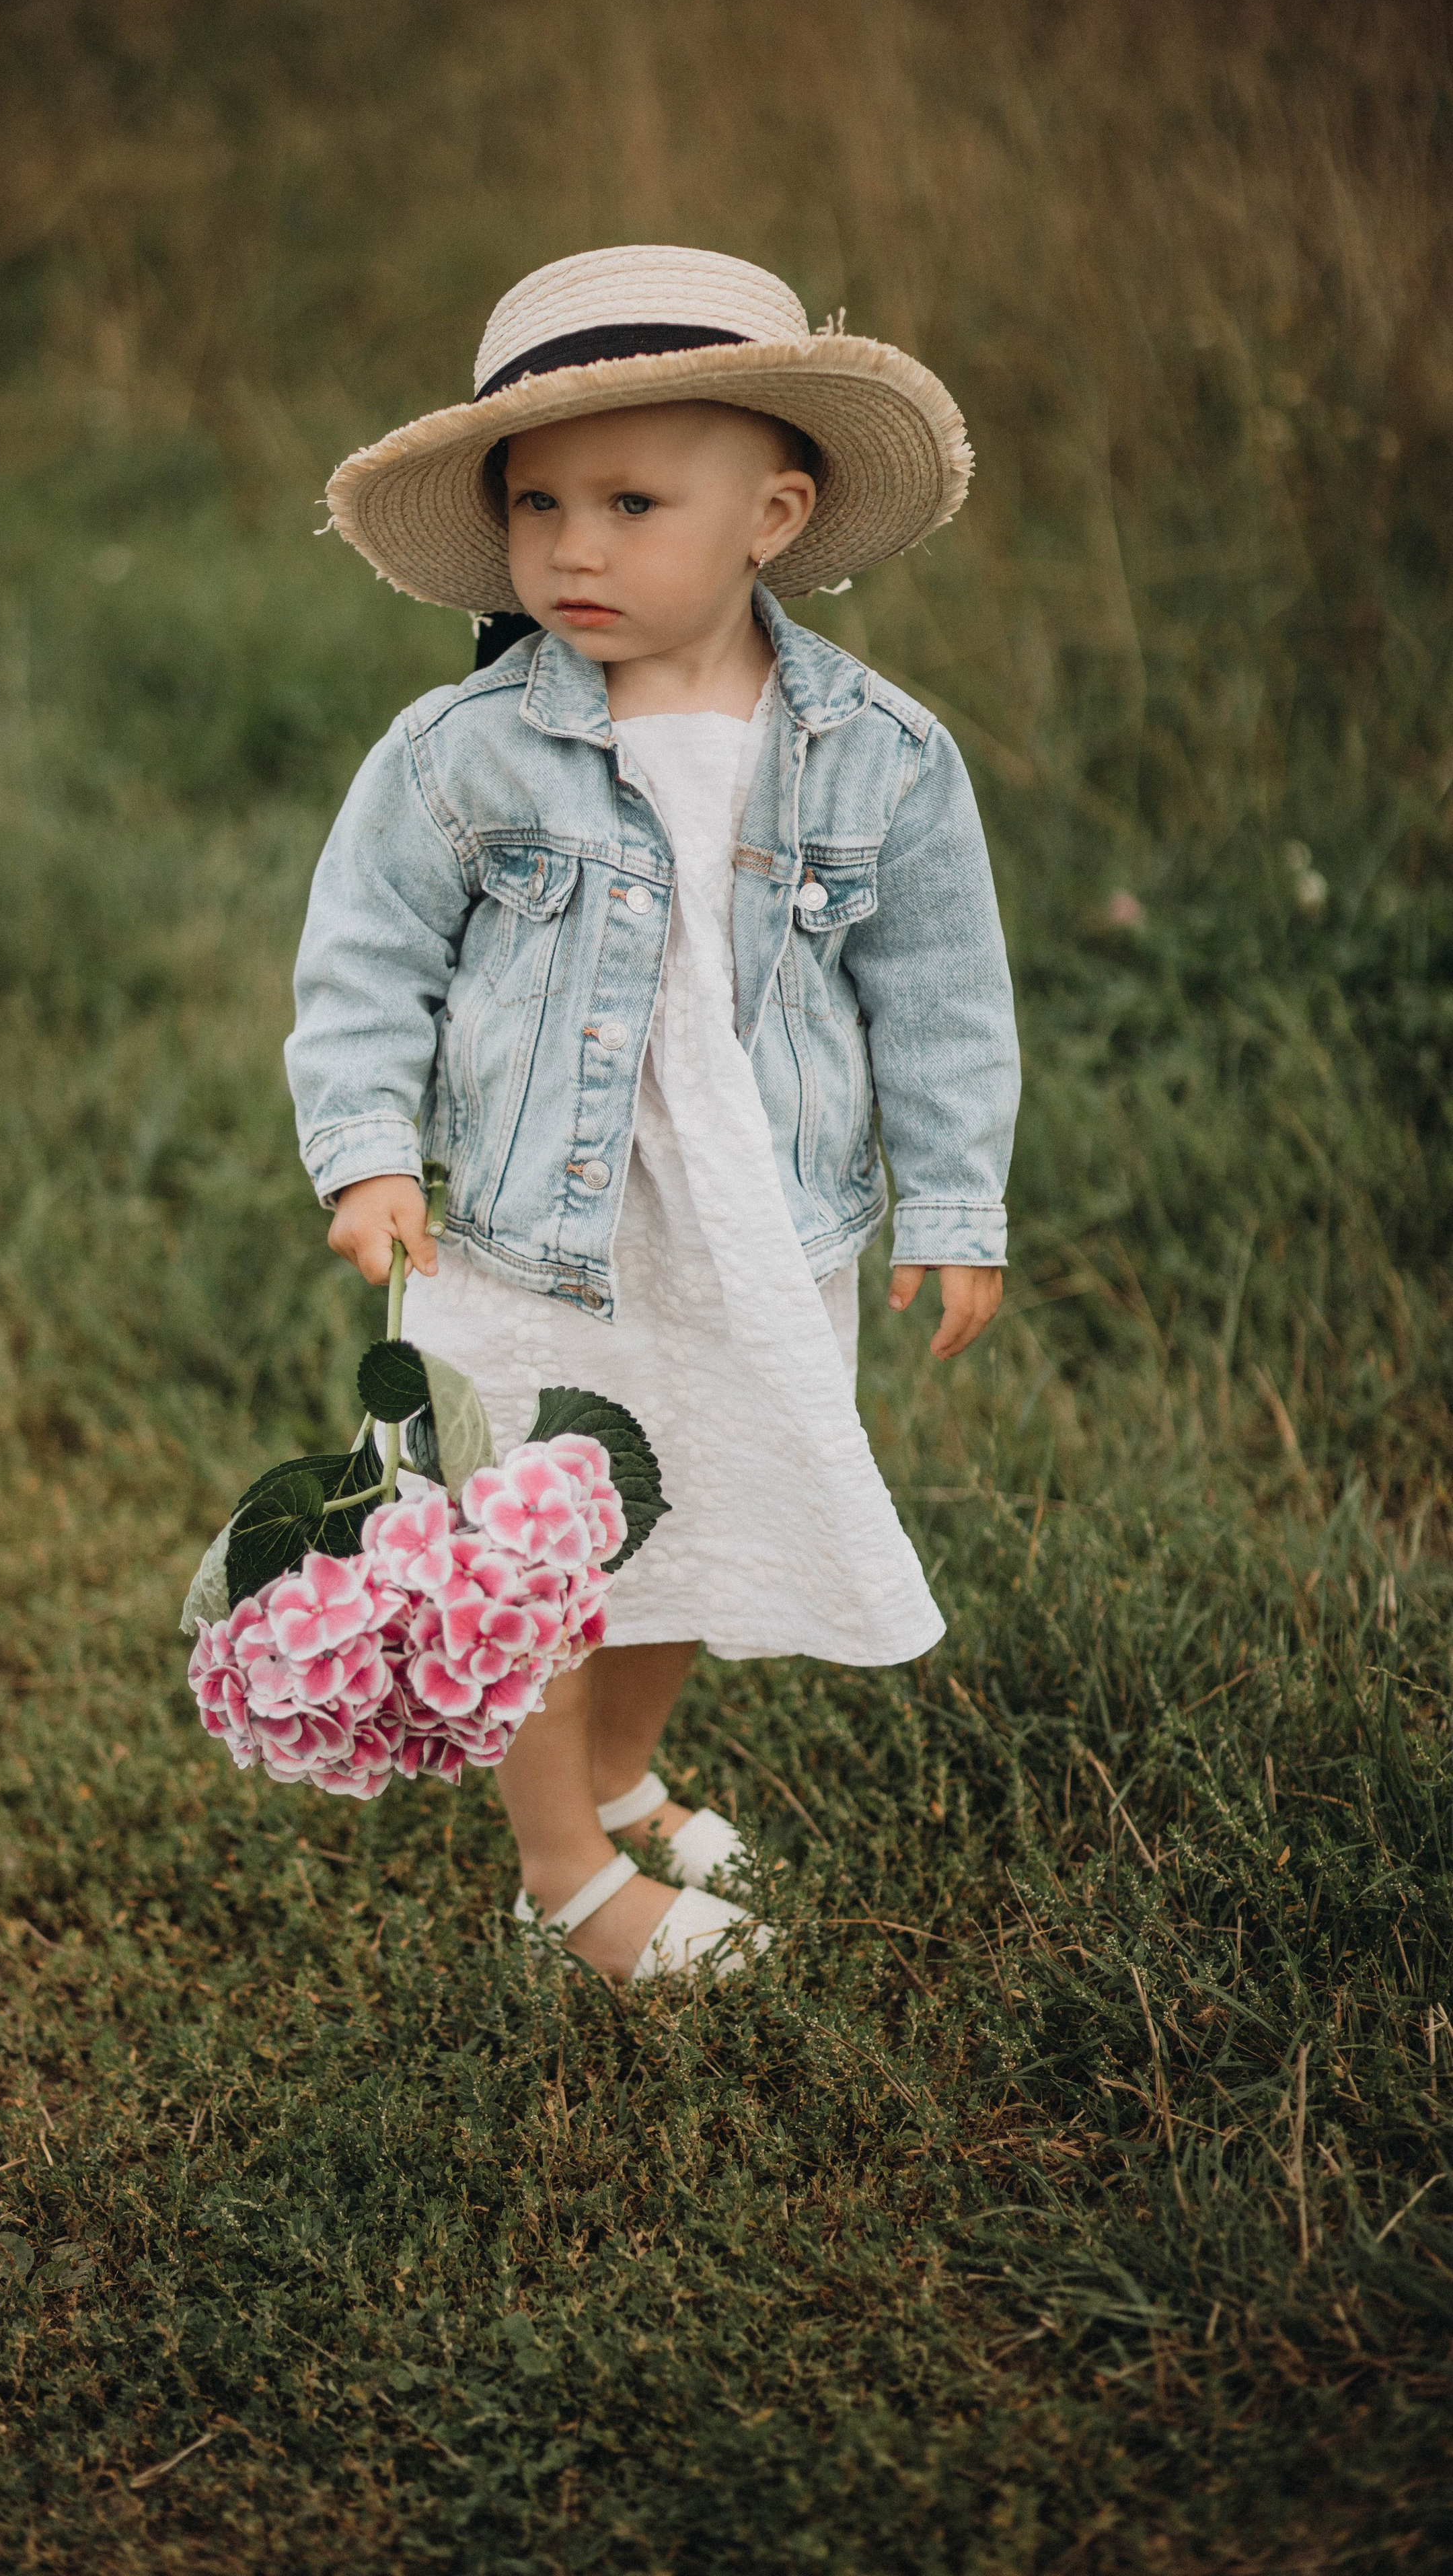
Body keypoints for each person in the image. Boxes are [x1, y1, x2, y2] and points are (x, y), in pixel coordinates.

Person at [286, 247, 1020, 1983]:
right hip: (535, 1234)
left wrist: (957, 1204)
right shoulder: (461, 752)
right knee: (535, 1554)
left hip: (760, 1227)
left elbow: (941, 999)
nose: (577, 549)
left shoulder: (882, 755)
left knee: (690, 1505)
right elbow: (365, 961)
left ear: (776, 509)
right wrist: (371, 1146)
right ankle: (563, 1880)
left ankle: (618, 1771)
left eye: (632, 500)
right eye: (539, 504)